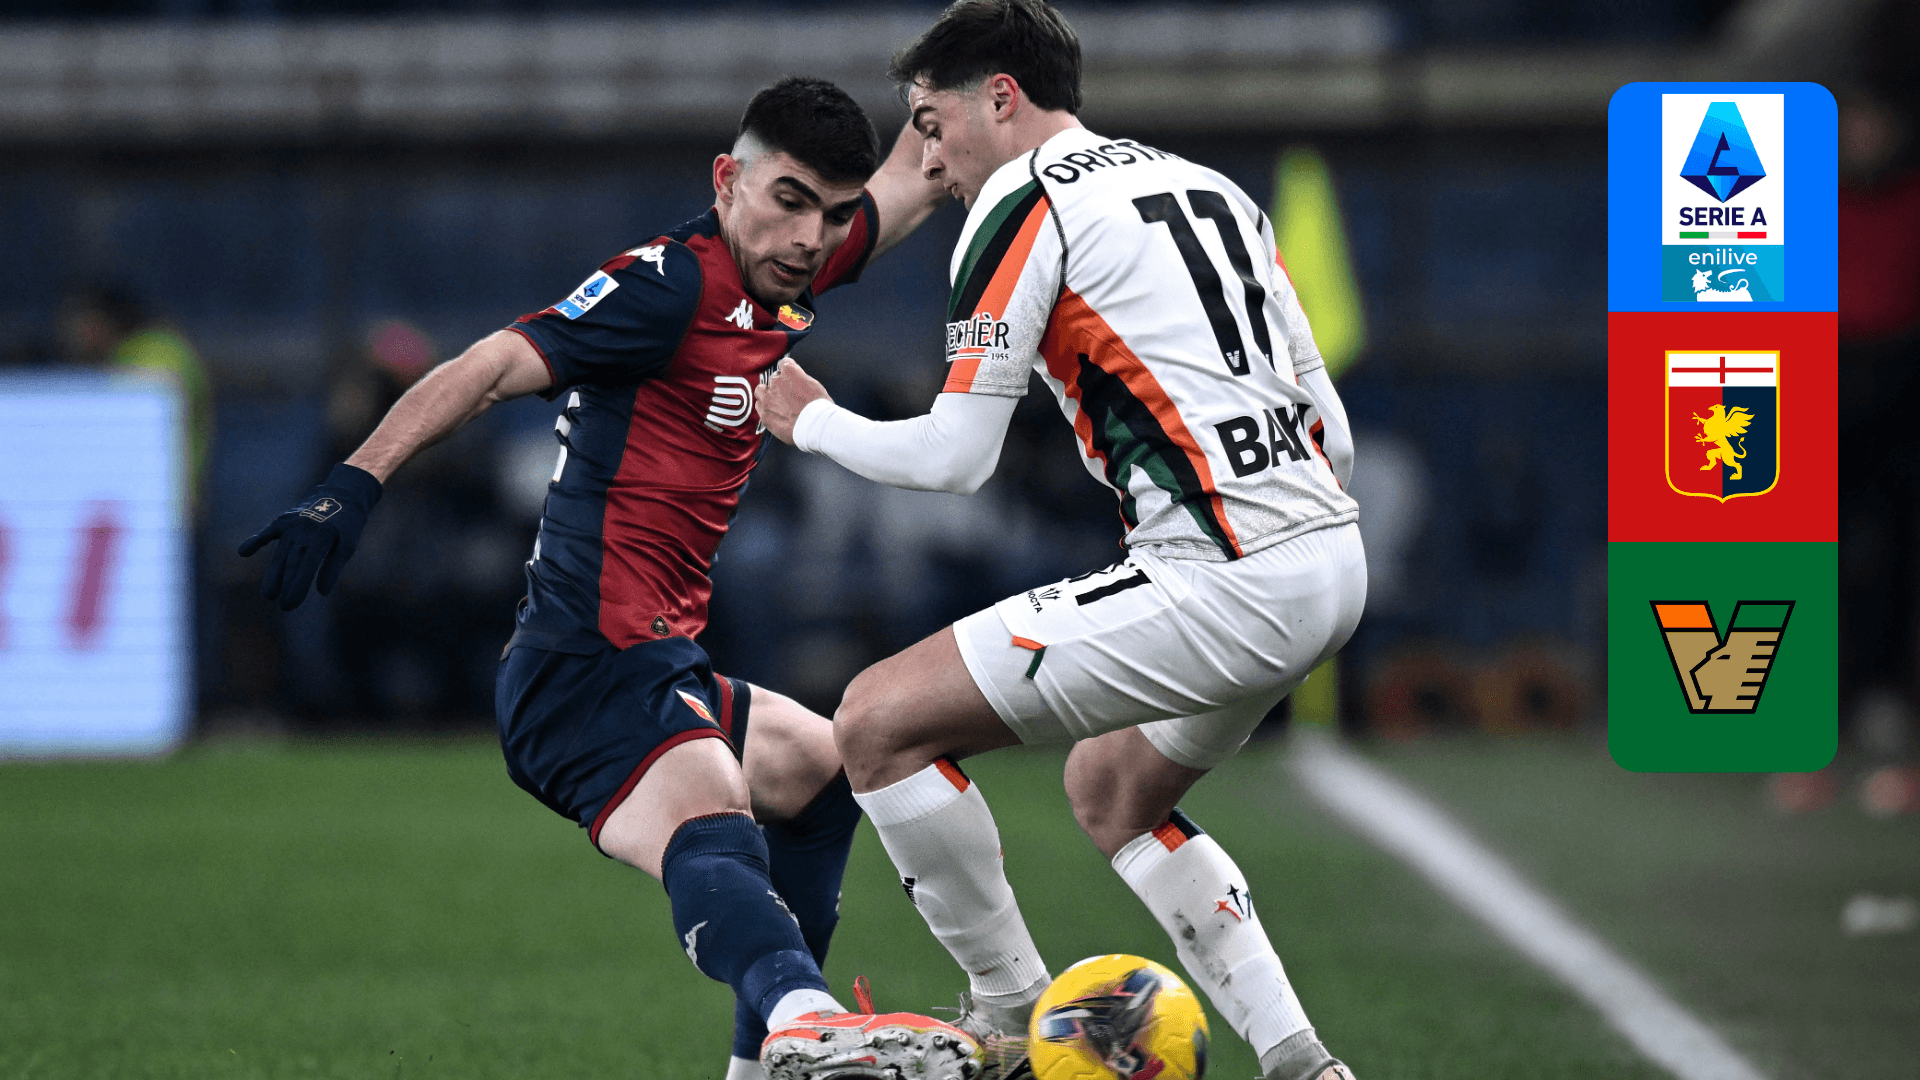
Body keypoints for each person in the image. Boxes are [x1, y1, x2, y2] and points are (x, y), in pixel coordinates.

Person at [239, 78, 981, 1080]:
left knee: (822, 773)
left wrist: (947, 82)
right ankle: (807, 1024)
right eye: (792, 200)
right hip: (585, 667)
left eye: (834, 215)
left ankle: (768, 1059)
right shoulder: (666, 287)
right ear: (728, 182)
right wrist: (354, 483)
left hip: (657, 659)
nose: (814, 236)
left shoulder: (789, 262)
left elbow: (906, 183)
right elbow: (490, 365)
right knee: (714, 817)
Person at [756, 5, 1367, 1080]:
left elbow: (957, 457)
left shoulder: (1022, 201)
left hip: (1224, 577)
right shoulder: (1212, 188)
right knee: (1113, 790)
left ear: (1002, 97)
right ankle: (1301, 1061)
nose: (928, 162)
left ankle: (1008, 1019)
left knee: (876, 723)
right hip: (1331, 563)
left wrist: (810, 421)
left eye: (931, 124)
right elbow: (1336, 437)